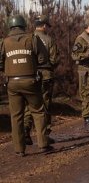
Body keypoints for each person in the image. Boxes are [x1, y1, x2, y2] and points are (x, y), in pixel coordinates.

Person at [0, 15, 53, 156]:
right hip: (31, 81)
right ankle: (43, 145)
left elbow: (0, 64)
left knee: (16, 116)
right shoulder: (32, 39)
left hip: (12, 83)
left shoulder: (4, 43)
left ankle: (19, 150)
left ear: (10, 26)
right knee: (38, 111)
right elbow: (43, 58)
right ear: (24, 26)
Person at [24, 15, 60, 145]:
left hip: (31, 75)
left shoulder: (28, 38)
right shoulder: (49, 40)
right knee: (44, 105)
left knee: (30, 104)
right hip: (46, 75)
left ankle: (26, 130)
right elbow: (54, 59)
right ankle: (45, 135)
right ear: (44, 26)